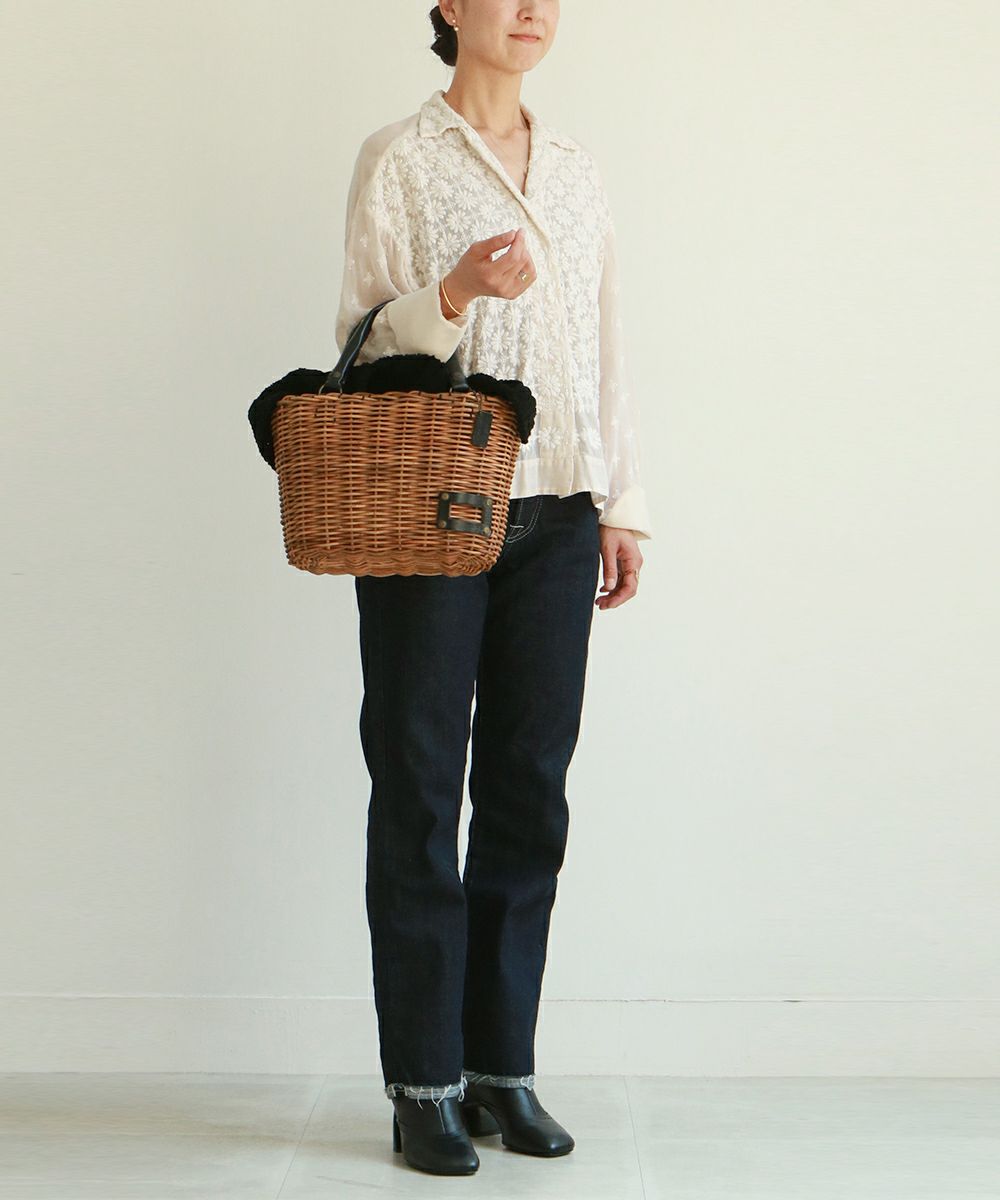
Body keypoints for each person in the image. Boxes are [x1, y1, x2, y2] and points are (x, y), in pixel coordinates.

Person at [335, 1, 653, 1176]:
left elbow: (604, 343)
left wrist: (621, 503)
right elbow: (362, 346)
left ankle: (499, 1069)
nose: (530, 10)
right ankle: (423, 1082)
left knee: (528, 792)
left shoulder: (576, 168)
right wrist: (455, 294)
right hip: (429, 511)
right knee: (420, 790)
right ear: (448, 6)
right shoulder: (399, 157)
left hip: (560, 513)